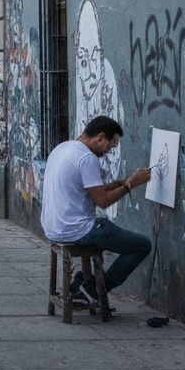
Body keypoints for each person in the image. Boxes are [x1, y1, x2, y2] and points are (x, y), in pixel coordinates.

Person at [40, 116, 153, 303]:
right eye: (110, 146)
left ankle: (84, 282)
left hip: (53, 227)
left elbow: (82, 190)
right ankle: (93, 290)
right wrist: (131, 184)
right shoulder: (87, 158)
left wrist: (111, 186)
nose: (108, 152)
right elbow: (103, 202)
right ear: (100, 138)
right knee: (142, 245)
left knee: (106, 229)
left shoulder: (63, 148)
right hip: (75, 229)